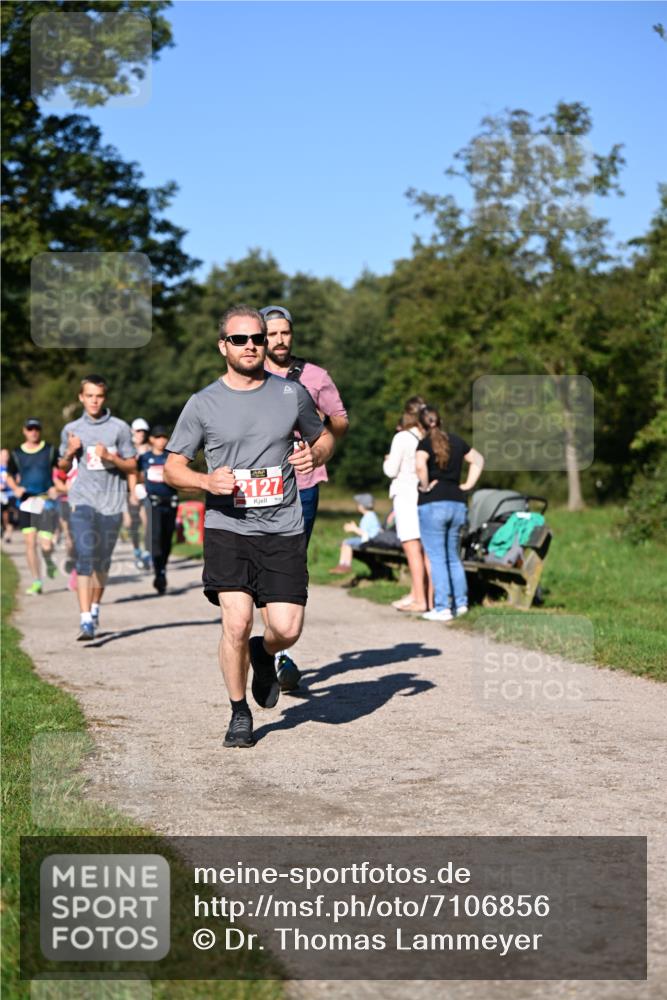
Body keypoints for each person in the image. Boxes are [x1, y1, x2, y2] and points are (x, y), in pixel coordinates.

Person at [164, 305, 335, 749]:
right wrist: (205, 480)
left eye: (257, 338)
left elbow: (325, 435)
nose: (251, 346)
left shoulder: (290, 394)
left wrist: (315, 456)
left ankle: (265, 652)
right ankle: (239, 712)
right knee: (236, 623)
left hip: (282, 526)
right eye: (239, 340)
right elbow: (172, 468)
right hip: (229, 526)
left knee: (287, 628)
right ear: (223, 346)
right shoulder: (203, 403)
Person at [260, 304, 348, 689]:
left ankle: (278, 651)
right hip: (259, 485)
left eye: (285, 333)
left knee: (291, 565)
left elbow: (340, 421)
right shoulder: (249, 374)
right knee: (263, 564)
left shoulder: (314, 376)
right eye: (272, 333)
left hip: (304, 483)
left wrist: (319, 447)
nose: (279, 340)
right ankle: (274, 650)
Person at [59, 375, 136, 640]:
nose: (94, 400)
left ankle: (94, 609)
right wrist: (69, 453)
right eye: (89, 395)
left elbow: (133, 465)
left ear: (105, 397)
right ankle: (84, 622)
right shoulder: (72, 428)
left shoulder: (120, 428)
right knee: (85, 556)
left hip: (111, 503)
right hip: (82, 500)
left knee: (102, 561)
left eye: (99, 396)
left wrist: (110, 457)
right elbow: (61, 467)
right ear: (81, 397)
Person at [415, 406, 485, 622]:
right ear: (440, 420)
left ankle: (443, 607)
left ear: (420, 425)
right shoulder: (456, 440)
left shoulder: (424, 443)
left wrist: (425, 486)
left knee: (436, 558)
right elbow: (478, 460)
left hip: (433, 503)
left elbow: (419, 466)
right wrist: (467, 485)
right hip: (457, 502)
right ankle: (461, 604)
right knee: (453, 556)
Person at [382, 396, 431, 613]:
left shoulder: (402, 437)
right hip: (426, 495)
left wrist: (386, 461)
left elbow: (391, 470)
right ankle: (422, 595)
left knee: (412, 549)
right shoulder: (430, 435)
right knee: (427, 550)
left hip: (406, 495)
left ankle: (419, 600)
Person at [5, 419, 59, 594]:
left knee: (46, 545)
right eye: (30, 429)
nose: (33, 432)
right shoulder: (16, 453)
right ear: (24, 431)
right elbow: (9, 475)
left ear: (40, 431)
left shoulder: (49, 450)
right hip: (27, 502)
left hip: (46, 501)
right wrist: (15, 488)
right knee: (30, 543)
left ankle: (49, 560)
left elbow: (60, 471)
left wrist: (56, 486)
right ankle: (37, 581)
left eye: (36, 429)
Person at [136, 425, 178, 594]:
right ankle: (158, 571)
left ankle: (162, 568)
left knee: (167, 538)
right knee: (156, 536)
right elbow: (137, 474)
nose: (161, 440)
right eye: (158, 437)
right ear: (151, 439)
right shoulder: (145, 458)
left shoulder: (171, 458)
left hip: (171, 501)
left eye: (164, 437)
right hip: (153, 502)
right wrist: (137, 488)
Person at [329, 493, 381, 574]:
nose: (358, 506)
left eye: (359, 504)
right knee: (346, 542)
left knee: (347, 542)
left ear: (362, 506)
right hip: (369, 539)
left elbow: (364, 534)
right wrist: (355, 527)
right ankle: (342, 565)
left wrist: (353, 528)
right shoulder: (370, 515)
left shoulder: (368, 517)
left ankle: (345, 565)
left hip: (369, 540)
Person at [127, 418, 152, 570]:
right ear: (132, 431)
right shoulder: (128, 449)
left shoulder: (150, 448)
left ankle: (147, 553)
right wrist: (132, 492)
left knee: (147, 522)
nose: (141, 433)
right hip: (130, 490)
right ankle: (136, 549)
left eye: (143, 431)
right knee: (130, 523)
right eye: (138, 430)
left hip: (146, 489)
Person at [1, 447, 18, 543]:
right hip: (1, 495)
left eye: (6, 455)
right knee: (4, 514)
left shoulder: (12, 468)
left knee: (11, 514)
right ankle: (4, 528)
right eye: (2, 455)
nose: (4, 457)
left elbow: (18, 480)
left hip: (11, 494)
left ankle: (8, 535)